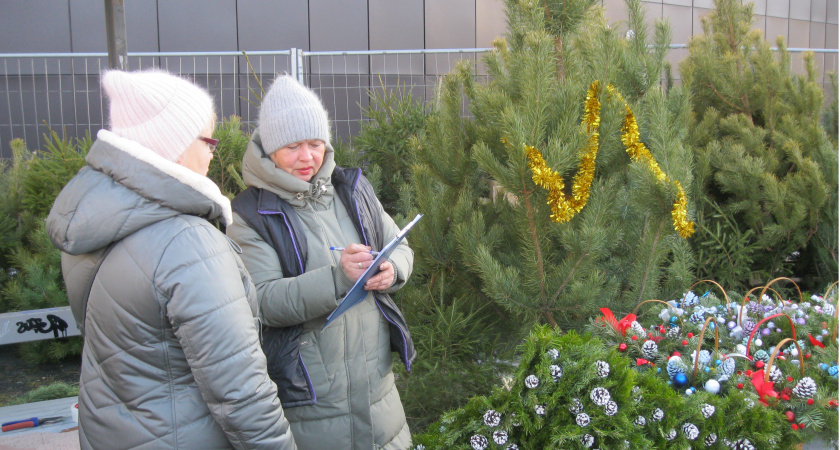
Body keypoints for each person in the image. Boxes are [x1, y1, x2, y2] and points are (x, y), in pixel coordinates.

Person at [46, 69, 296, 449]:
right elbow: (241, 392)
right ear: (174, 142)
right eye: (208, 140)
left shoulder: (94, 223)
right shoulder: (187, 244)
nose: (213, 152)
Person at [227, 76, 416, 449]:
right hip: (310, 402)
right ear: (269, 149)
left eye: (315, 144)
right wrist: (338, 278)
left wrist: (392, 271)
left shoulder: (353, 190)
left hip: (378, 394)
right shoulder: (250, 215)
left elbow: (401, 246)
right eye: (292, 146)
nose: (307, 157)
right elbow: (262, 301)